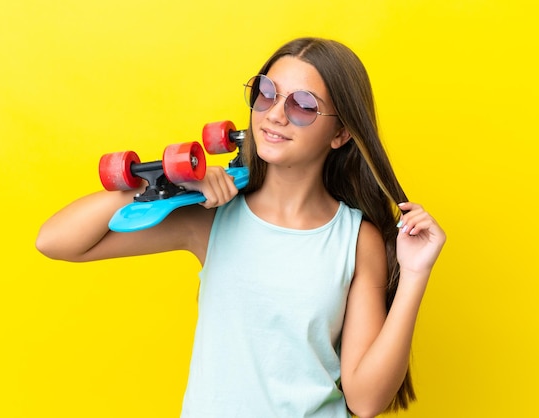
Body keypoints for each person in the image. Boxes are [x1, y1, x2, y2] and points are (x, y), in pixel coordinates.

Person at [36, 37, 446, 418]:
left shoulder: (356, 240)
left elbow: (366, 399)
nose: (274, 114)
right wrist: (171, 186)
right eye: (266, 92)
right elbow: (55, 241)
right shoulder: (212, 217)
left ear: (340, 133)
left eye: (303, 105)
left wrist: (413, 273)